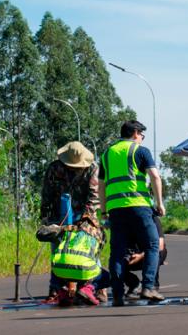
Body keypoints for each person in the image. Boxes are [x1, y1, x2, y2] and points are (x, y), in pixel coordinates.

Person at [99, 120, 166, 306]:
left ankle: (118, 295)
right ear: (135, 133)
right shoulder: (140, 151)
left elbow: (102, 186)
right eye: (142, 135)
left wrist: (103, 211)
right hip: (139, 206)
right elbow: (154, 176)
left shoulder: (106, 154)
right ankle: (148, 287)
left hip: (115, 210)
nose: (142, 138)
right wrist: (160, 203)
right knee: (153, 245)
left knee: (117, 252)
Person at [37, 141, 104, 305]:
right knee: (58, 253)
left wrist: (85, 221)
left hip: (85, 216)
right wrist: (46, 218)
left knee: (88, 251)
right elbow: (47, 193)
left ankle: (96, 288)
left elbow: (94, 197)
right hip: (59, 215)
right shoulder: (55, 168)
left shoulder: (93, 169)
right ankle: (57, 290)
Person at [121, 212, 167, 299]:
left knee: (158, 253)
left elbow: (160, 246)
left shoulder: (153, 219)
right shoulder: (124, 220)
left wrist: (141, 256)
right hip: (132, 255)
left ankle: (152, 285)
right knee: (116, 262)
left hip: (147, 254)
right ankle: (134, 284)